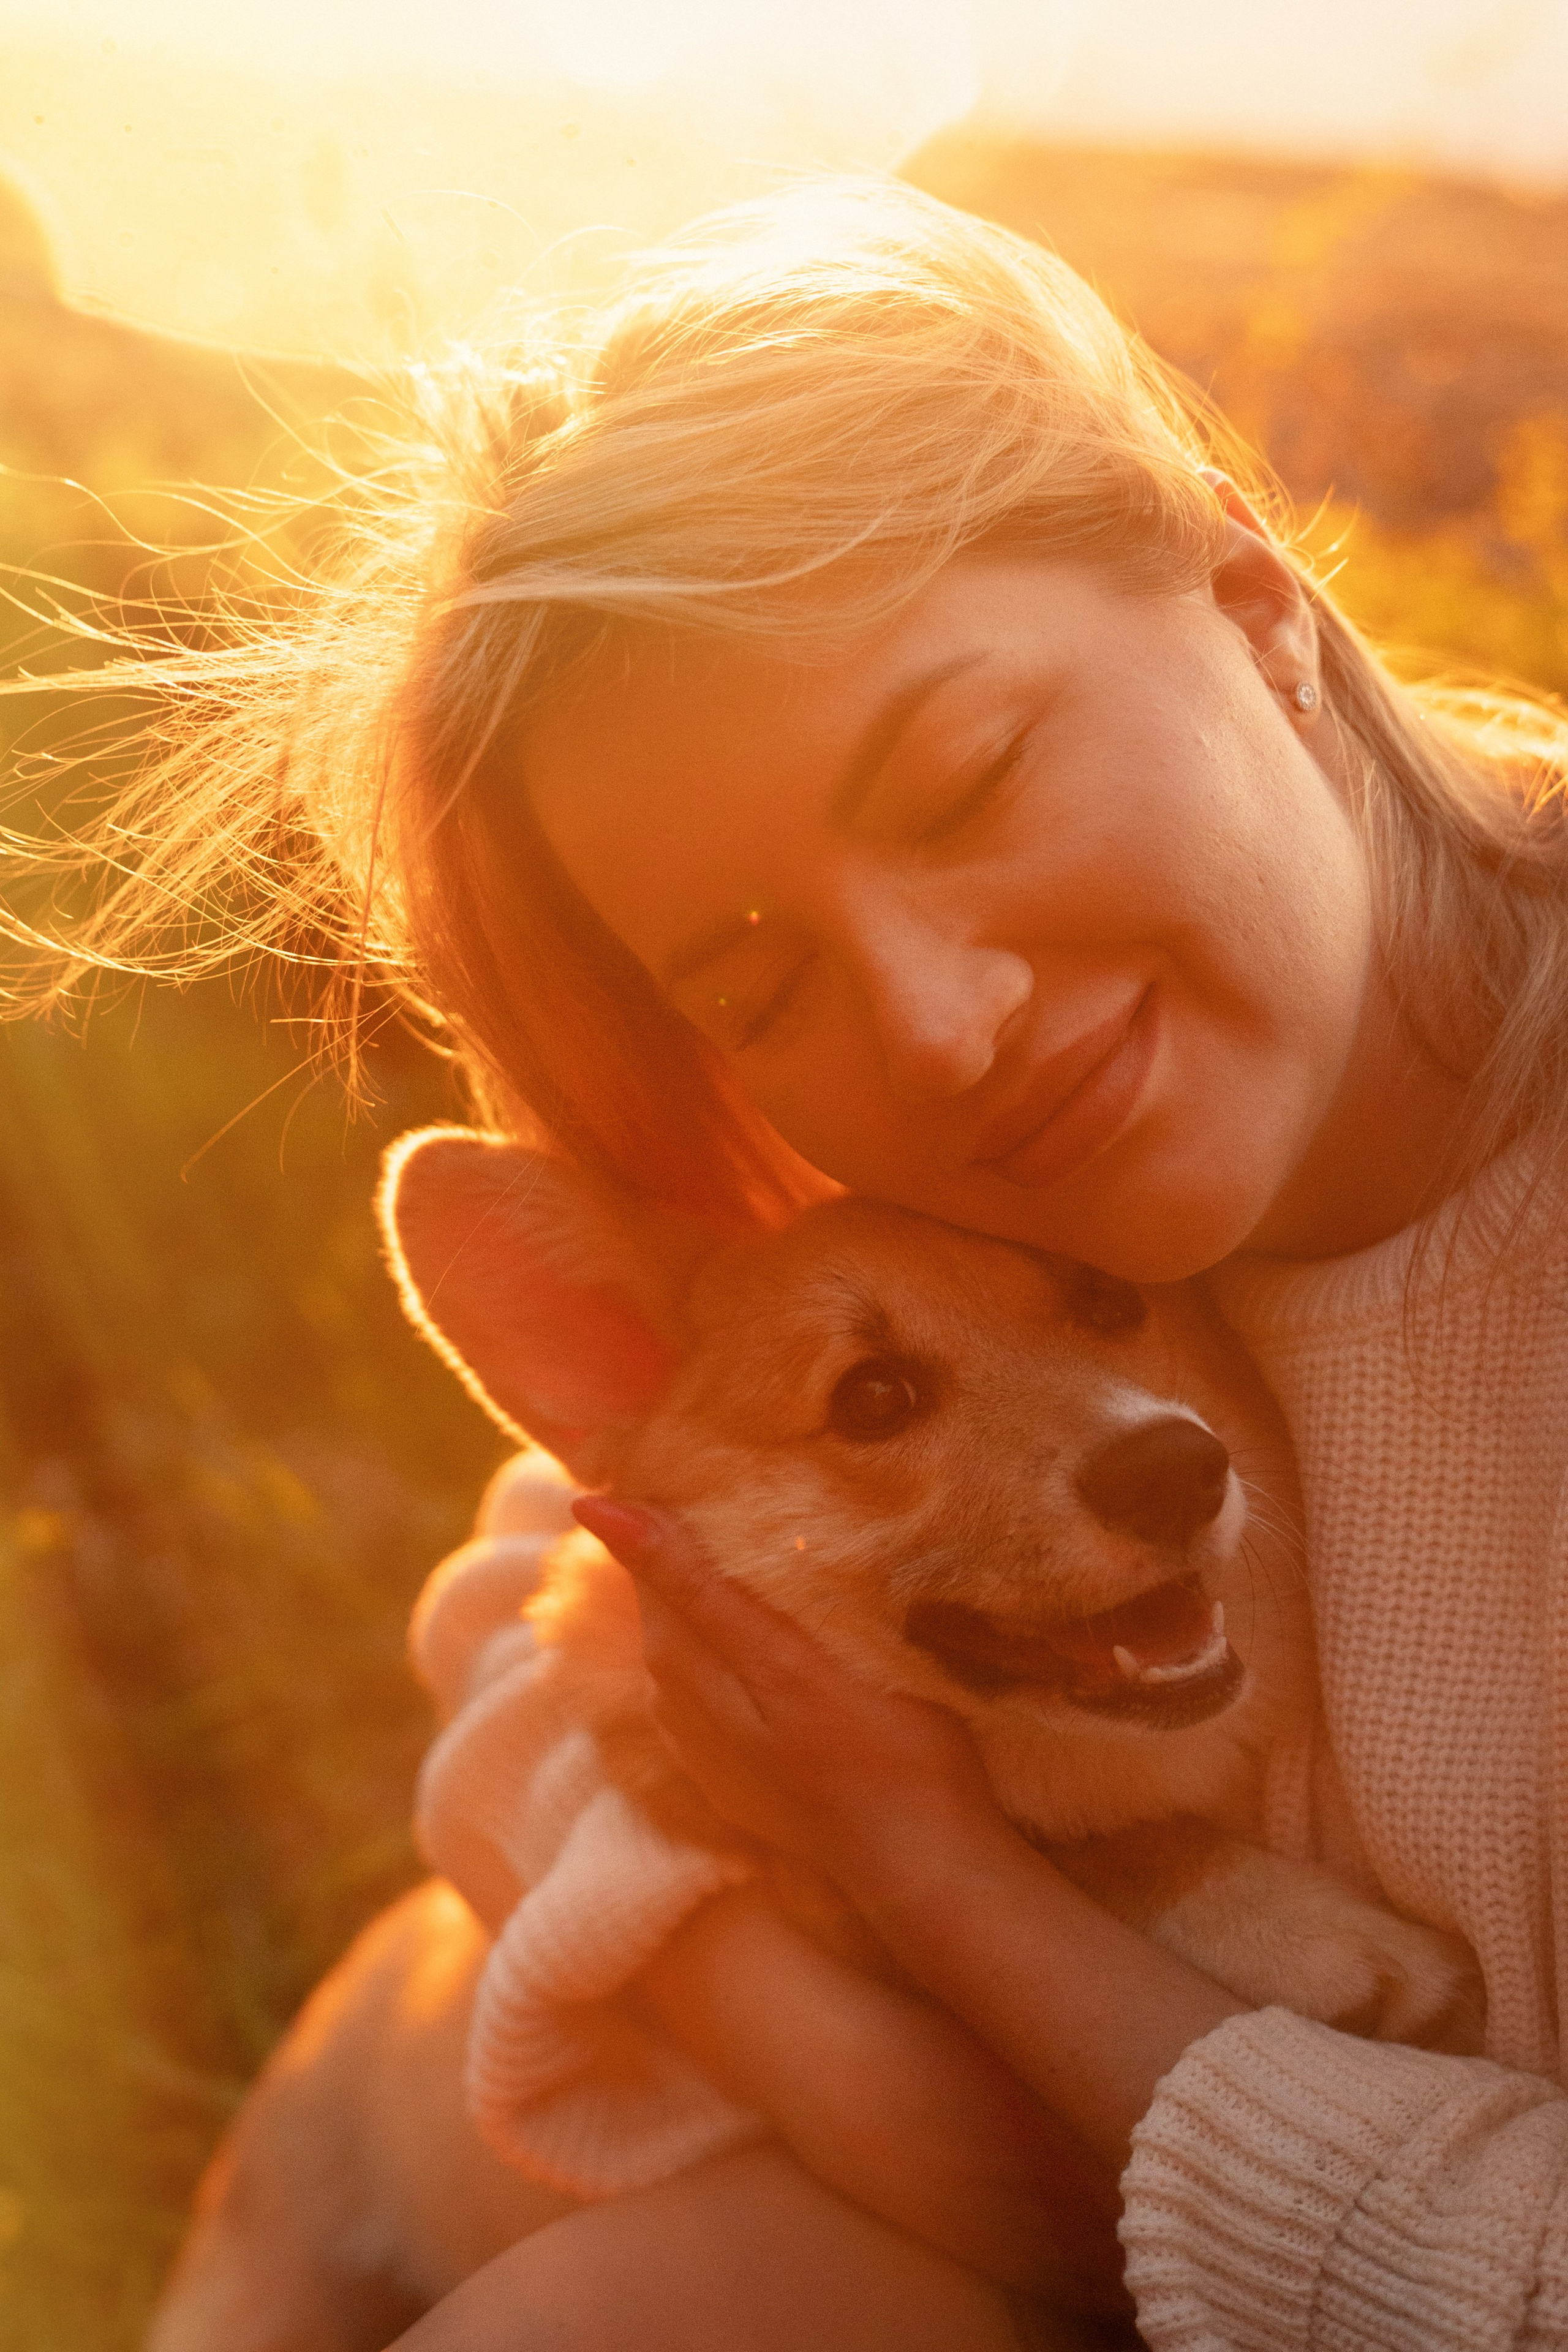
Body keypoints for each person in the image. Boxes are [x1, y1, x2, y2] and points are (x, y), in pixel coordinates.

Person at [18, 178, 1568, 2348]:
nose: (940, 1025)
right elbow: (552, 1598)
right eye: (753, 983)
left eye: (972, 770)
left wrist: (927, 1908)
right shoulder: (1055, 1182)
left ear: (1253, 600)